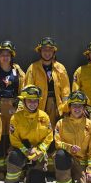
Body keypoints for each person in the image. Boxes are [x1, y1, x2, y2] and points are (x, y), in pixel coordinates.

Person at [25, 37, 70, 171]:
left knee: (55, 133)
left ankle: (52, 167)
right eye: (44, 50)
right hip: (39, 105)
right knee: (40, 133)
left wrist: (65, 107)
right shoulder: (33, 68)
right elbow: (27, 88)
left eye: (50, 50)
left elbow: (66, 90)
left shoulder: (60, 68)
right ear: (40, 51)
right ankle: (38, 164)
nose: (47, 53)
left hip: (56, 105)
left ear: (54, 52)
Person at [0, 40, 25, 180]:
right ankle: (0, 169)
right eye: (2, 54)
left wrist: (19, 107)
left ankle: (12, 167)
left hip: (14, 107)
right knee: (0, 138)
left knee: (13, 137)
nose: (5, 57)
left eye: (8, 54)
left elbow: (23, 91)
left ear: (12, 56)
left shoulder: (18, 71)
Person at [4, 85, 53, 183]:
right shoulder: (15, 118)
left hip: (38, 152)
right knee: (14, 156)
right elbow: (14, 140)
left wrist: (39, 150)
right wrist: (26, 151)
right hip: (21, 150)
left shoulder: (44, 117)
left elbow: (49, 137)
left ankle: (29, 176)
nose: (32, 103)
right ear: (24, 101)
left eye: (35, 101)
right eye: (29, 100)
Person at [53, 91, 91, 183]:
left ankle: (73, 182)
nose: (77, 109)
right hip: (66, 159)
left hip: (81, 163)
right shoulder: (61, 123)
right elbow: (57, 142)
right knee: (60, 154)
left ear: (84, 108)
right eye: (74, 106)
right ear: (69, 107)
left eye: (80, 106)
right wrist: (69, 148)